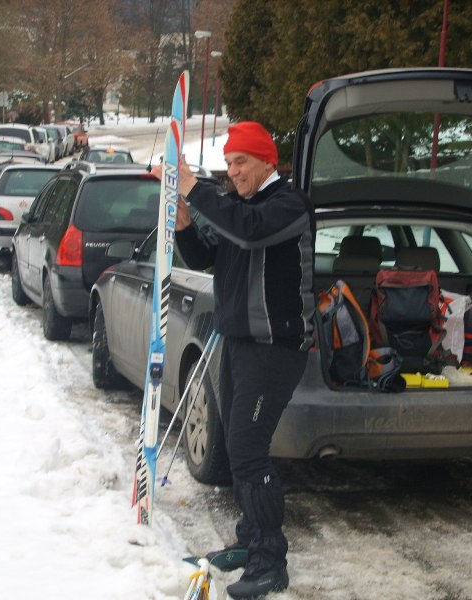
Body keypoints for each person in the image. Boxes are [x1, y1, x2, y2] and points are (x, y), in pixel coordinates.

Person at [152, 121, 315, 599]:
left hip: (275, 348)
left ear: (268, 160)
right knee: (239, 446)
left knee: (246, 448)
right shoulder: (241, 207)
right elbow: (206, 256)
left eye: (240, 162)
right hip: (239, 342)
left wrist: (191, 186)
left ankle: (270, 561)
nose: (234, 172)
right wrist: (183, 220)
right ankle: (251, 541)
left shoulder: (288, 205)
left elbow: (249, 232)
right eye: (228, 164)